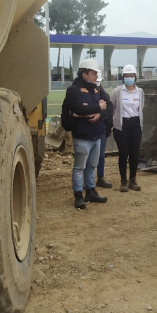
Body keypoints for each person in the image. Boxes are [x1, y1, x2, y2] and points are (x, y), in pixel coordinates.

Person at [62, 58, 109, 209]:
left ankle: (91, 191)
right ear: (84, 74)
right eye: (93, 73)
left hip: (96, 134)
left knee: (92, 165)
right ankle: (78, 195)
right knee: (79, 167)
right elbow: (79, 109)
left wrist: (100, 114)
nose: (96, 76)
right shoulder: (73, 90)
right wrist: (98, 106)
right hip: (82, 135)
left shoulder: (97, 89)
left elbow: (110, 107)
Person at [111, 64, 145, 192]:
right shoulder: (118, 91)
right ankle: (123, 181)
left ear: (135, 77)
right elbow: (112, 107)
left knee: (134, 153)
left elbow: (141, 107)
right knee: (123, 153)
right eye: (126, 76)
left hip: (136, 124)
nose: (129, 78)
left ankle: (133, 180)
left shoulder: (140, 92)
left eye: (131, 76)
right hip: (122, 125)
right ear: (123, 77)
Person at [95, 70, 114, 188]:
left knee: (100, 154)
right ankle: (88, 180)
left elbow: (109, 108)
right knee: (88, 156)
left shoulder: (103, 94)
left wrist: (101, 113)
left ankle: (100, 177)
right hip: (88, 128)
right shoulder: (82, 93)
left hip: (101, 127)